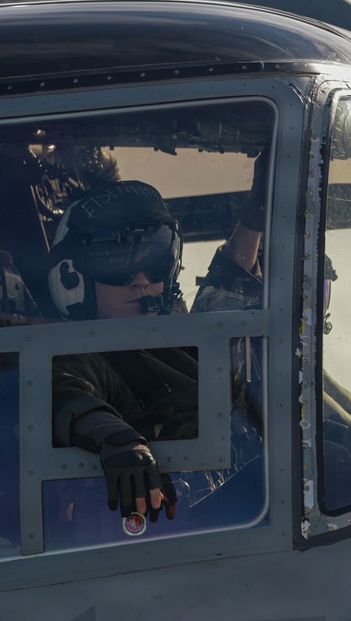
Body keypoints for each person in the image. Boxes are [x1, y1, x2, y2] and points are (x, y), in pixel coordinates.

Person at [48, 169, 265, 527]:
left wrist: (253, 219)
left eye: (155, 260)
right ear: (71, 277)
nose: (142, 281)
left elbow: (223, 297)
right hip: (176, 523)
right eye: (117, 262)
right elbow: (66, 391)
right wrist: (116, 439)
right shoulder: (77, 352)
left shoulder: (175, 338)